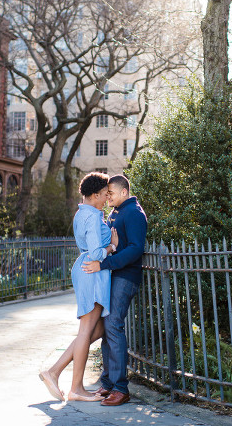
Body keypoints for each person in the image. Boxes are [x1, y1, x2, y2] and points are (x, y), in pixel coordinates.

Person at [39, 172, 118, 402]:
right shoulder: (93, 216)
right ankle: (76, 388)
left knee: (98, 329)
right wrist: (112, 247)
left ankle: (54, 371)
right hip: (91, 271)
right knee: (86, 331)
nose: (106, 199)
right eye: (104, 195)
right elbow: (95, 253)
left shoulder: (82, 212)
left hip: (87, 270)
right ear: (94, 195)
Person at [82, 174, 147, 406]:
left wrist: (105, 263)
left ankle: (121, 388)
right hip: (112, 276)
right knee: (108, 326)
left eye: (110, 192)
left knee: (113, 325)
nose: (107, 196)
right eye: (105, 193)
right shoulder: (116, 212)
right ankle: (108, 384)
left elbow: (136, 249)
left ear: (123, 192)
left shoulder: (134, 213)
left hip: (126, 277)